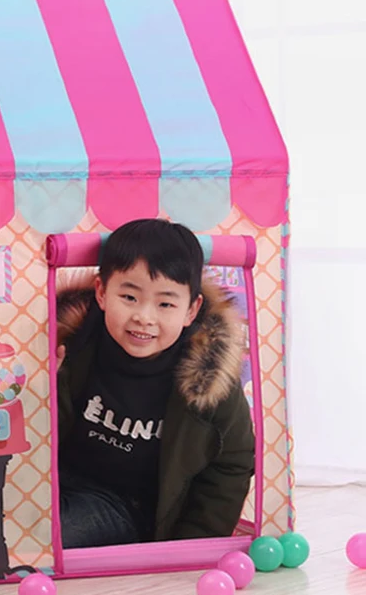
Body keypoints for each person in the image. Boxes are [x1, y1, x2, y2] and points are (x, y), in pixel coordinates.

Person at [56, 219, 255, 548]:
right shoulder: (74, 341)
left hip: (128, 506)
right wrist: (48, 379)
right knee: (2, 519)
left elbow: (232, 462)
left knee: (52, 533)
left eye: (165, 304)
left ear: (191, 310)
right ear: (102, 293)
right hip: (55, 479)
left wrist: (190, 547)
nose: (144, 317)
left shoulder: (208, 379)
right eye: (129, 297)